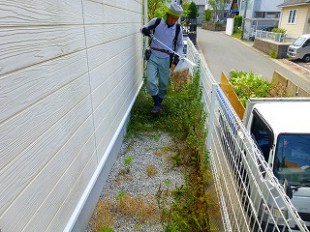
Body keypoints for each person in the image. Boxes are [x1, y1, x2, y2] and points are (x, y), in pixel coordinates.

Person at [141, 3, 184, 114]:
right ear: (167, 14)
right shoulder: (157, 22)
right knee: (150, 81)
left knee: (164, 84)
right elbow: (142, 28)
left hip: (166, 59)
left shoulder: (178, 29)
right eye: (172, 17)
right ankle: (157, 105)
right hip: (153, 55)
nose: (173, 20)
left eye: (176, 18)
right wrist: (145, 31)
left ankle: (157, 106)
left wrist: (177, 55)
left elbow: (180, 45)